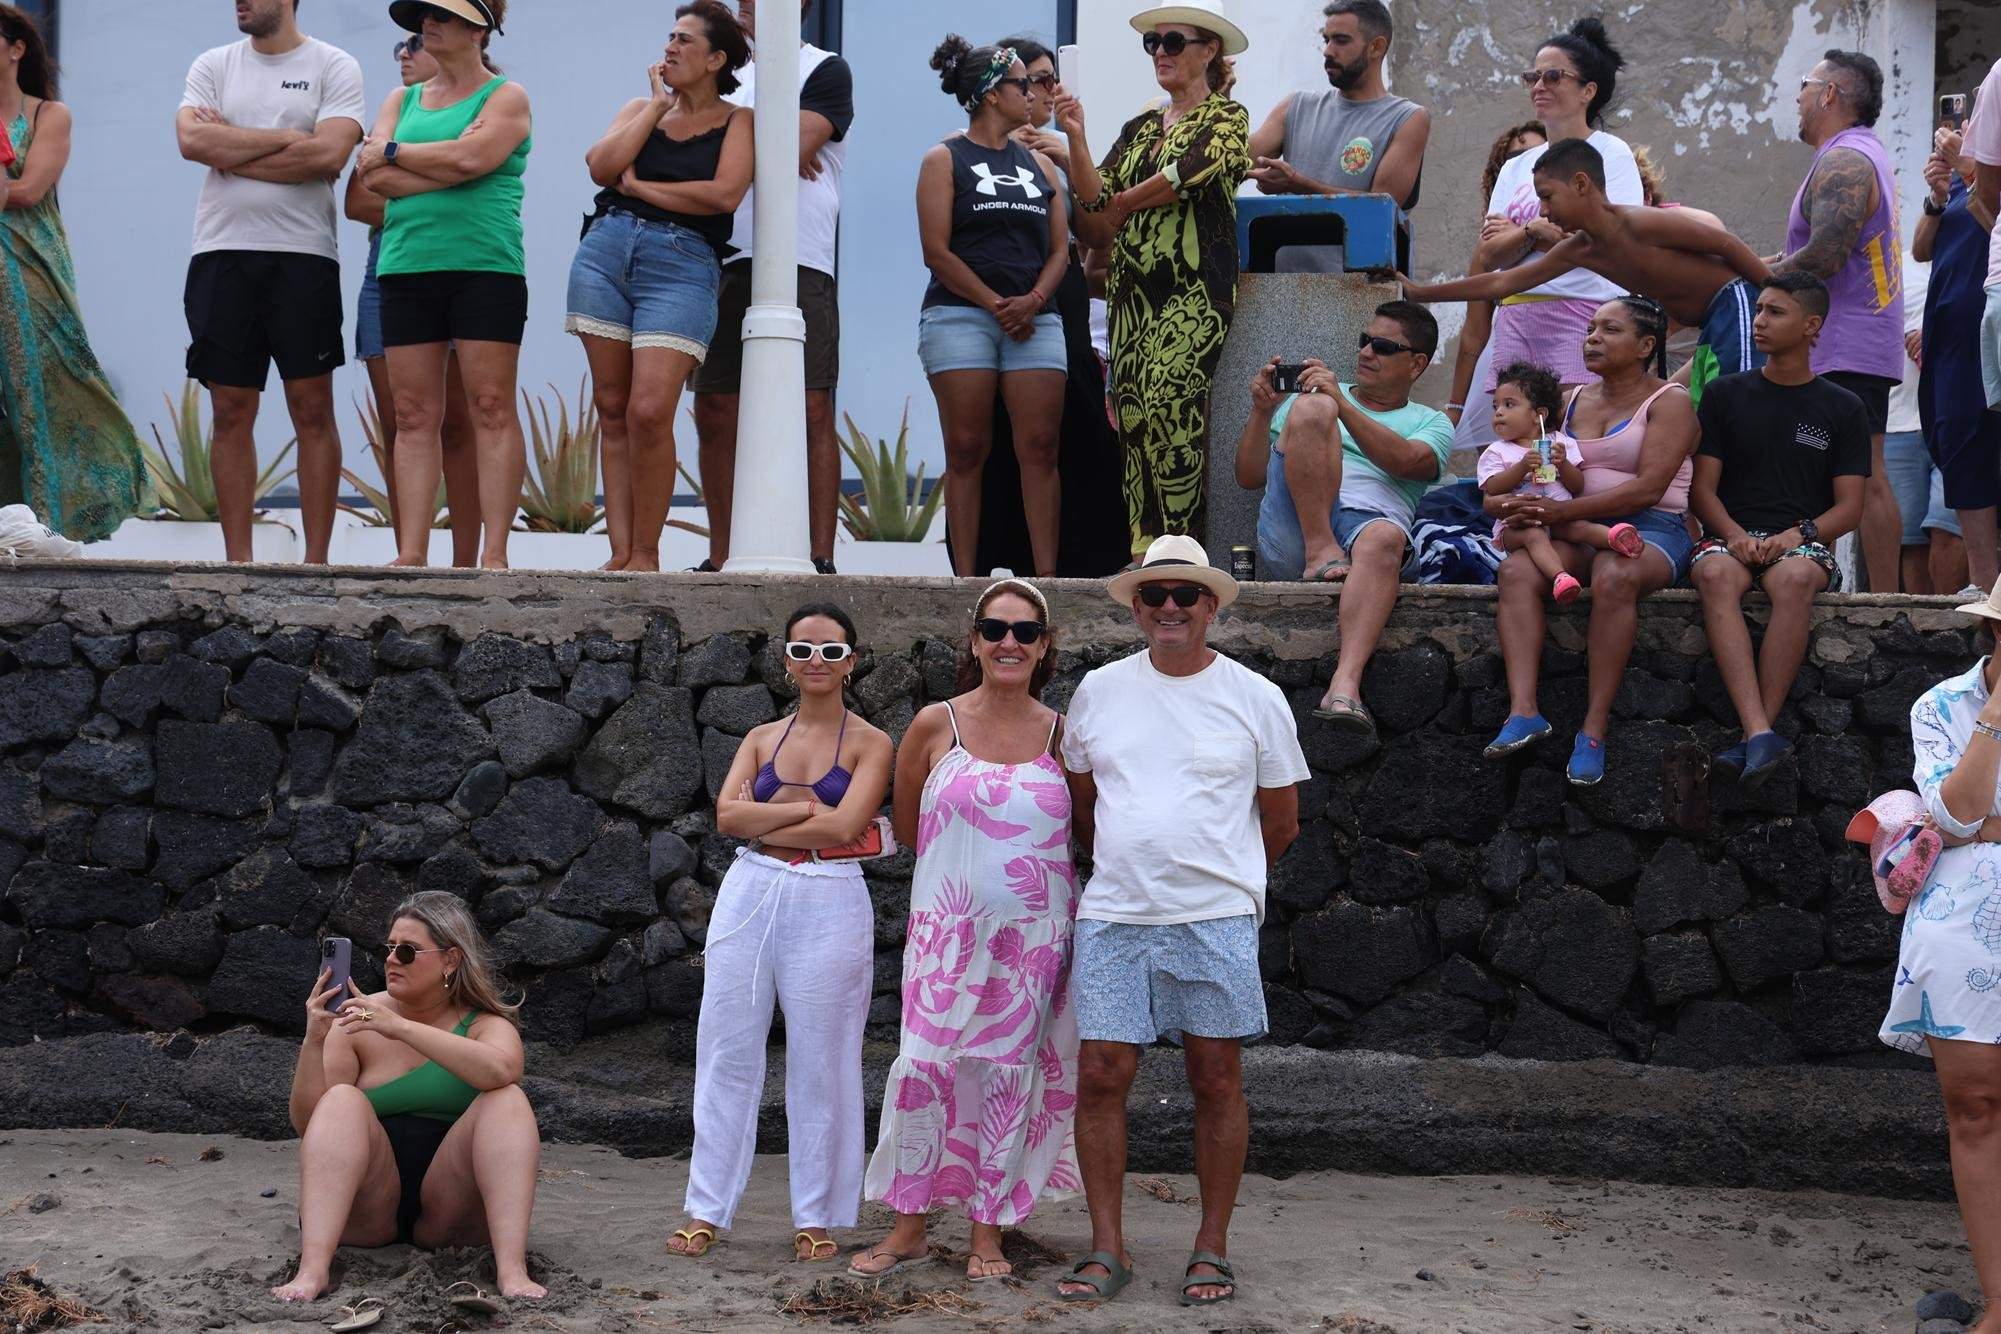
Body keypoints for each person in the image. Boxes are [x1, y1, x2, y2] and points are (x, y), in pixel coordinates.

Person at [1054, 536, 1306, 1308]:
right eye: (1154, 595)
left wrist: (1218, 881)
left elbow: (1281, 822)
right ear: (1135, 607)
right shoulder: (1097, 690)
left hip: (1214, 916)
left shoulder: (1255, 697)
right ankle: (1107, 1248)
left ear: (1210, 608)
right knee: (1099, 1075)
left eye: (1184, 596)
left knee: (1215, 1077)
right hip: (1116, 912)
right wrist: (1132, 867)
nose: (1169, 608)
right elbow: (1083, 807)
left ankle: (1211, 1248)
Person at [852, 579, 1079, 1283]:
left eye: (1023, 631)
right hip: (945, 937)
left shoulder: (1061, 732)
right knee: (923, 1066)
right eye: (993, 628)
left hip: (1033, 944)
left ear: (1043, 648)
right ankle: (909, 1226)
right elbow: (914, 828)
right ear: (974, 641)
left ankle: (988, 1233)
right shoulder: (933, 723)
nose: (1007, 641)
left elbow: (1084, 832)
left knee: (1006, 1077)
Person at [666, 601, 893, 1264]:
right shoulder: (762, 737)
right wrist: (802, 810)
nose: (815, 661)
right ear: (785, 662)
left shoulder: (870, 742)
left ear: (850, 661)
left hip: (829, 896)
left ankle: (817, 1214)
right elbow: (725, 818)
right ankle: (706, 1208)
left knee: (824, 1058)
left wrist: (766, 815)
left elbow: (843, 826)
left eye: (828, 650)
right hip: (750, 890)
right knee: (726, 1047)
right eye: (801, 651)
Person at [274, 892, 545, 1304]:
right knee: (343, 1099)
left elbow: (502, 1069)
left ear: (451, 960)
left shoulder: (483, 1024)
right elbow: (312, 1123)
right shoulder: (357, 1018)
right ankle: (313, 1270)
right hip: (368, 1203)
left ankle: (512, 1271)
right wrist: (315, 1041)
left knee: (506, 1099)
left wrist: (398, 1027)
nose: (392, 960)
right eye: (389, 949)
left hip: (450, 1209)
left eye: (407, 951)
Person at [1054, 1, 1252, 560]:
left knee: (1175, 406)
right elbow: (1092, 211)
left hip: (1195, 293)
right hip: (1133, 297)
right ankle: (1144, 551)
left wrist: (1119, 204)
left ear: (1208, 50)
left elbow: (1185, 175)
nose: (1160, 52)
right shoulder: (1138, 127)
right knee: (1136, 418)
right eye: (1153, 44)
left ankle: (1182, 549)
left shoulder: (1225, 118)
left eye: (1173, 42)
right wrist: (1075, 136)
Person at [175, 0, 365, 564]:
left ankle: (316, 563)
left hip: (302, 254)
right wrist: (288, 143)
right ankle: (239, 562)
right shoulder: (212, 64)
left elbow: (331, 153)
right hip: (221, 251)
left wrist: (231, 145)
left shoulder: (334, 64)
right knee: (230, 407)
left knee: (311, 406)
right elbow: (192, 143)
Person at [1481, 297, 1697, 782]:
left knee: (1615, 572)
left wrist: (1561, 512)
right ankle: (1523, 711)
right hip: (1570, 524)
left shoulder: (1670, 402)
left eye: (1610, 330)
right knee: (1516, 568)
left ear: (1646, 345)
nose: (1593, 337)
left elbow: (1648, 488)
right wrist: (1502, 503)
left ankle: (1593, 730)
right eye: (1592, 328)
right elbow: (1533, 463)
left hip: (1654, 527)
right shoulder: (1570, 398)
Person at [570, 2, 752, 573]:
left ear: (717, 59)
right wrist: (653, 107)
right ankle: (621, 553)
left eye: (685, 41)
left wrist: (643, 189)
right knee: (613, 406)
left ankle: (647, 552)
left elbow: (723, 196)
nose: (670, 47)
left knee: (650, 409)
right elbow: (601, 168)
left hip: (682, 262)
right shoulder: (640, 107)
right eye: (669, 37)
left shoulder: (739, 121)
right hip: (605, 252)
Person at [1403, 137, 1770, 408]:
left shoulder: (1638, 223)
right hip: (1707, 321)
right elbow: (1501, 281)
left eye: (1547, 196)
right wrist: (1419, 293)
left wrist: (1777, 292)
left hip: (1731, 300)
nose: (1543, 211)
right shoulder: (1582, 249)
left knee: (1736, 400)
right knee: (1710, 407)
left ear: (1581, 184)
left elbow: (1726, 245)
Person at [358, 0, 530, 571]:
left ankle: (496, 554)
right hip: (406, 268)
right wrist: (445, 165)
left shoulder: (505, 97)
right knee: (411, 415)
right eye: (422, 16)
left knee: (489, 405)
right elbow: (371, 175)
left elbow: (472, 158)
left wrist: (397, 154)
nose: (425, 24)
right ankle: (410, 552)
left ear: (478, 29)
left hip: (485, 268)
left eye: (442, 15)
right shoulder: (399, 100)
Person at [1230, 301, 1453, 740]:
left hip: (1370, 535)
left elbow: (1409, 462)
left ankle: (1344, 685)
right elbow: (1249, 477)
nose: (1367, 352)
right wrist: (1261, 411)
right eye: (1365, 341)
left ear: (1417, 364)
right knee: (1311, 410)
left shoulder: (1433, 422)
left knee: (1387, 536)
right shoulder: (1319, 401)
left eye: (1384, 347)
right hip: (1296, 530)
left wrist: (1342, 403)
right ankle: (1320, 551)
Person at [1878, 580, 2001, 1334]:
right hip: (1958, 929)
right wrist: (1991, 720)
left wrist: (1979, 827)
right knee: (1975, 1109)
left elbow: (1964, 822)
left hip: (1963, 904)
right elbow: (1954, 813)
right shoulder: (1939, 706)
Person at [692, 0, 853, 575]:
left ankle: (820, 554)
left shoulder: (824, 68)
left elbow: (796, 147)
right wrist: (770, 137)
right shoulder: (720, 68)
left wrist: (734, 139)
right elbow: (688, 147)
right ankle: (721, 552)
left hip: (799, 256)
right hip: (716, 252)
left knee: (812, 405)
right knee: (714, 405)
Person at [1688, 273, 1865, 784]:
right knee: (1717, 575)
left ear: (1811, 326)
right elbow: (1703, 490)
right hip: (1727, 535)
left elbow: (1850, 507)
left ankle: (1751, 737)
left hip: (1801, 544)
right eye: (1759, 310)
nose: (1759, 321)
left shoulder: (1842, 407)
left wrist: (1797, 536)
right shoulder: (1724, 395)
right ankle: (1760, 731)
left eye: (1775, 312)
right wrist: (1736, 534)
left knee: (1794, 580)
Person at [973, 37, 1128, 581]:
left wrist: (1074, 148)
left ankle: (1086, 565)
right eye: (1032, 80)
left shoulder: (1057, 150)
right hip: (990, 312)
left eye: (1048, 79)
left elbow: (1100, 231)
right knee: (992, 441)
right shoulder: (965, 151)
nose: (1044, 91)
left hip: (1059, 311)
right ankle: (995, 563)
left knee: (1078, 434)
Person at [918, 37, 1069, 578]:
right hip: (960, 317)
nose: (1032, 93)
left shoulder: (1041, 167)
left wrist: (1031, 301)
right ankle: (967, 579)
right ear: (989, 95)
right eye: (1021, 85)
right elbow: (937, 251)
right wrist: (994, 303)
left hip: (1035, 319)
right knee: (965, 447)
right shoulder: (944, 158)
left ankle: (1048, 579)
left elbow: (1059, 251)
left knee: (1041, 446)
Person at [0, 3, 143, 543]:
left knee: (44, 389)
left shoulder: (47, 115)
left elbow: (28, 190)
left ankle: (51, 524)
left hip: (31, 270)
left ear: (17, 48)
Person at [344, 32, 481, 567]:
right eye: (397, 44)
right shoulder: (393, 111)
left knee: (460, 424)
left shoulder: (487, 105)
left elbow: (481, 180)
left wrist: (401, 182)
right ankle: (410, 553)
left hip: (461, 266)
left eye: (416, 42)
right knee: (402, 422)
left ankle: (468, 560)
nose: (403, 52)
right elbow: (359, 199)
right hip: (389, 271)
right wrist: (445, 181)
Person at [1775, 49, 1903, 592]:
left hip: (1846, 343)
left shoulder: (1847, 159)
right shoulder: (1853, 154)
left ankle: (1885, 602)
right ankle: (1823, 585)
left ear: (1829, 94)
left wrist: (1749, 273)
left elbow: (1825, 255)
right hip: (1845, 342)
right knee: (1828, 473)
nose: (1797, 98)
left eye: (1804, 86)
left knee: (1866, 474)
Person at [1461, 18, 1638, 395]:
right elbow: (1489, 254)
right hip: (1516, 315)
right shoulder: (1516, 166)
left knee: (1571, 435)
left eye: (1553, 76)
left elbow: (1609, 238)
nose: (1539, 86)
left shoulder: (1611, 153)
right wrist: (1533, 231)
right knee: (1517, 444)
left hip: (1582, 312)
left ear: (1587, 90)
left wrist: (1519, 237)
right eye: (1533, 76)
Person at [1246, 0, 1430, 273]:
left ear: (1376, 47)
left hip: (1359, 292)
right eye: (1326, 40)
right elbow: (1237, 160)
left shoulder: (1407, 117)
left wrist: (1297, 184)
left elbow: (1380, 204)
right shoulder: (1295, 106)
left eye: (1341, 41)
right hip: (1277, 288)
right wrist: (1214, 101)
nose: (1328, 51)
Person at [1475, 360, 1643, 604]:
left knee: (1580, 528)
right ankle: (1560, 577)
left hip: (1561, 517)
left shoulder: (1559, 443)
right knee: (1535, 536)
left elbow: (1577, 486)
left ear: (1539, 415)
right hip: (1518, 525)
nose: (1499, 412)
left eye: (1509, 405)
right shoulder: (1497, 451)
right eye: (1496, 406)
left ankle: (1617, 539)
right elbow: (1492, 487)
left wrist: (1563, 464)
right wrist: (1522, 467)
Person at [1918, 121, 2000, 595]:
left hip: (1990, 330)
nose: (1967, 129)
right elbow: (1921, 248)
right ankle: (1983, 583)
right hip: (1949, 340)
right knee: (1958, 446)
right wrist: (1937, 196)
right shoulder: (1960, 185)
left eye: (1978, 123)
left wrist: (1971, 173)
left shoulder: (1986, 179)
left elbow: (1997, 225)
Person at [1445, 121, 1546, 454]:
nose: (1527, 164)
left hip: (1565, 346)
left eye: (1538, 153)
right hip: (1505, 355)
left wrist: (1524, 230)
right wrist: (1457, 407)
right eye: (1515, 157)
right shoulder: (1486, 248)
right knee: (1505, 459)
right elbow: (1474, 332)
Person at [1886, 250, 1966, 597]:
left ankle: (1952, 625)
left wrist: (1937, 337)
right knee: (1910, 541)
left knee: (1949, 530)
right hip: (1895, 421)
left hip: (1957, 420)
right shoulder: (1893, 266)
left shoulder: (1980, 261)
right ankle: (1922, 636)